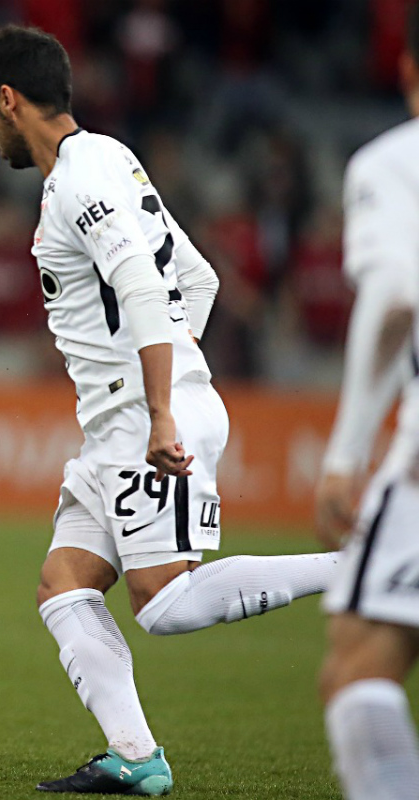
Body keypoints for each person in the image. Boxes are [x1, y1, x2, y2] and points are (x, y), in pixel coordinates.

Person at [0, 26, 339, 795]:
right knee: (64, 585)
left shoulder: (79, 180)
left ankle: (360, 568)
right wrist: (178, 373)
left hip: (142, 416)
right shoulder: (110, 158)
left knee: (164, 602)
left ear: (9, 100)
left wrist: (163, 408)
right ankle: (137, 758)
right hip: (124, 418)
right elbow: (198, 280)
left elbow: (141, 282)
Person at [315, 6, 419, 798]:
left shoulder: (393, 162)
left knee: (357, 666)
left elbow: (392, 301)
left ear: (407, 67)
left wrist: (347, 453)